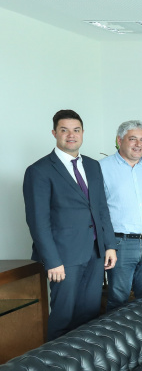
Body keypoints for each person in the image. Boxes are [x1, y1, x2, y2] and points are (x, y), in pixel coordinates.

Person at [24, 110, 117, 339]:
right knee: (63, 317)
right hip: (63, 259)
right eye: (64, 130)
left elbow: (102, 209)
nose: (71, 135)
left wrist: (110, 246)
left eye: (76, 130)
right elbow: (38, 221)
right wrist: (52, 261)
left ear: (83, 133)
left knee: (90, 316)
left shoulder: (94, 166)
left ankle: (83, 370)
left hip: (95, 254)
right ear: (55, 133)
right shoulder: (39, 170)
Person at [99, 120, 142, 311]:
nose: (138, 144)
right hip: (120, 245)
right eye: (132, 139)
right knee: (118, 299)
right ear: (119, 140)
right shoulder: (101, 168)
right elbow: (97, 210)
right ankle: (116, 341)